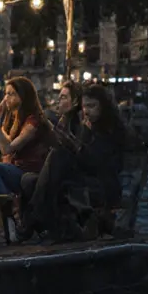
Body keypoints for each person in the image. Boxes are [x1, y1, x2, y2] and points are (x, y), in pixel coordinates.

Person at [21, 84, 129, 242]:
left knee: (58, 156)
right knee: (28, 180)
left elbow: (98, 163)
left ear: (103, 106)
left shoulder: (111, 130)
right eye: (85, 106)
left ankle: (32, 219)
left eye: (92, 106)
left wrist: (81, 139)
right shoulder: (82, 124)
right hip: (77, 176)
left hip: (100, 182)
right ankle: (45, 224)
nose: (86, 111)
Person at [0, 77, 54, 196]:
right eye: (6, 94)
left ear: (24, 96)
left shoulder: (33, 122)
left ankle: (4, 203)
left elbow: (7, 149)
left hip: (28, 172)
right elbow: (4, 147)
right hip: (14, 167)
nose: (6, 98)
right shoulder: (11, 119)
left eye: (11, 94)